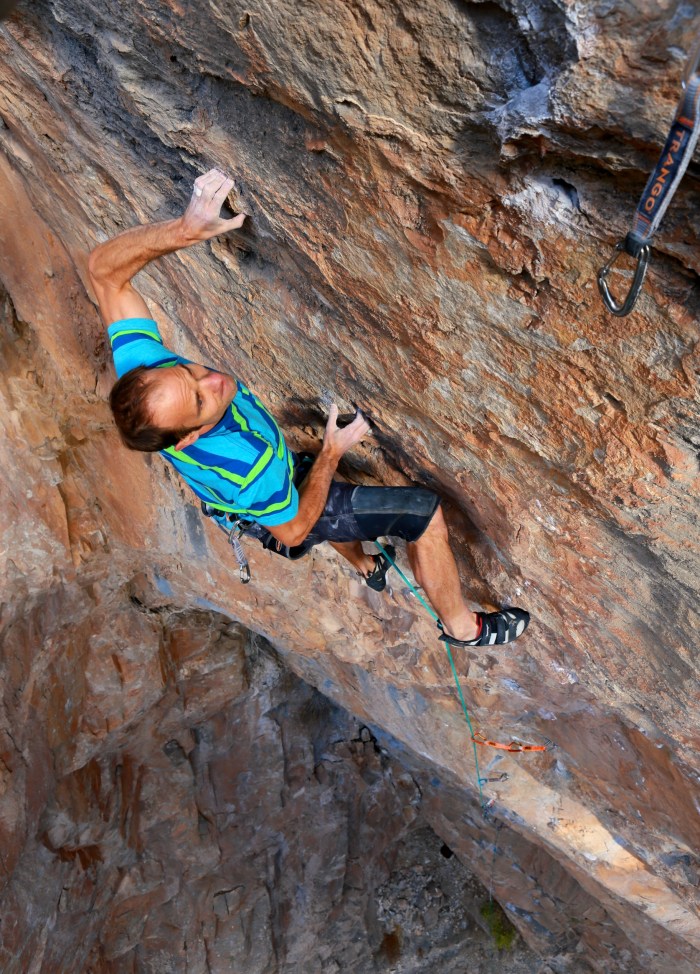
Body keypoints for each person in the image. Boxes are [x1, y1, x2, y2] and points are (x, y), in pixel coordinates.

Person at [88, 169, 529, 648]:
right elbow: (296, 529)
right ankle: (464, 629)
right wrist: (331, 453)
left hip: (268, 494)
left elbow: (103, 272)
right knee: (418, 513)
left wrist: (182, 231)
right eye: (201, 399)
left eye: (190, 371)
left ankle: (366, 564)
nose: (212, 379)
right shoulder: (245, 467)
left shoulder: (149, 378)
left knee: (320, 492)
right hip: (280, 509)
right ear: (189, 437)